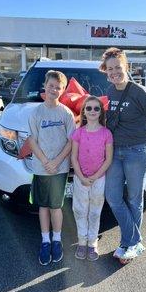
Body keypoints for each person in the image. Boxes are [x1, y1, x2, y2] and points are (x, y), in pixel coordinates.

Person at [99, 47, 146, 263]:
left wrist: (142, 133)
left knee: (135, 200)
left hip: (137, 152)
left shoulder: (139, 91)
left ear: (125, 66)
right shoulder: (109, 92)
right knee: (113, 197)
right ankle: (135, 240)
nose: (114, 72)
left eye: (118, 67)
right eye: (110, 69)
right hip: (115, 152)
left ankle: (127, 244)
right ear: (106, 71)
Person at [28, 70, 76, 266]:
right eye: (51, 86)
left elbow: (71, 141)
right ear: (45, 87)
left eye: (58, 87)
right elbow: (31, 140)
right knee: (43, 205)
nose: (54, 90)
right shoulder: (36, 112)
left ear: (63, 90)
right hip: (41, 167)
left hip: (60, 167)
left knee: (56, 205)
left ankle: (56, 240)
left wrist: (56, 161)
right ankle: (45, 241)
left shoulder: (66, 113)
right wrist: (45, 161)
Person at [71, 96, 113, 261]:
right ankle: (82, 241)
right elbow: (73, 157)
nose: (93, 111)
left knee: (95, 211)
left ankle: (92, 242)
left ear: (101, 112)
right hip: (80, 178)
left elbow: (108, 158)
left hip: (99, 178)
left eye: (96, 108)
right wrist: (81, 176)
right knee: (80, 210)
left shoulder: (106, 133)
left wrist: (95, 176)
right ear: (84, 112)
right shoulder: (78, 133)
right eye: (89, 108)